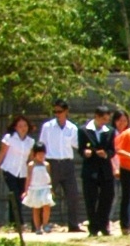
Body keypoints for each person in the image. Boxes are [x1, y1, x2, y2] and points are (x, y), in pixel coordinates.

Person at [38, 101, 83, 230]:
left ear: (66, 111)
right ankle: (40, 224)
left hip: (67, 164)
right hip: (52, 163)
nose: (57, 114)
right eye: (55, 112)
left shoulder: (72, 128)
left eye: (59, 111)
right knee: (46, 194)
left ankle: (73, 225)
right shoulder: (47, 127)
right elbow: (41, 145)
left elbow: (77, 145)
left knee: (72, 195)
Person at [78, 107, 116, 236]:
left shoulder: (110, 131)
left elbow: (112, 150)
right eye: (103, 119)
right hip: (90, 170)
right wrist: (85, 153)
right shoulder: (84, 130)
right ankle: (93, 228)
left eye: (107, 119)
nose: (105, 122)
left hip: (105, 169)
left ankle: (103, 225)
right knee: (91, 199)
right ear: (96, 116)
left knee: (107, 197)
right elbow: (81, 148)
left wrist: (106, 154)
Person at [0, 114, 35, 222]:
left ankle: (14, 221)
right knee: (15, 194)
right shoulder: (9, 138)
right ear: (15, 127)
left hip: (22, 172)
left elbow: (31, 159)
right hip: (9, 170)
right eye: (20, 126)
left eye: (25, 126)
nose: (23, 128)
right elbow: (2, 153)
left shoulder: (30, 141)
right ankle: (18, 222)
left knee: (20, 196)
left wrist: (33, 173)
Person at [23, 144, 54, 231]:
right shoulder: (31, 165)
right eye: (39, 154)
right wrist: (26, 190)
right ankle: (37, 227)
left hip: (45, 188)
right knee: (36, 209)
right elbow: (28, 178)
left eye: (43, 154)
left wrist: (51, 189)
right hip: (35, 188)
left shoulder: (47, 164)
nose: (41, 156)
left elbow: (48, 177)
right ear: (34, 154)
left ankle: (45, 224)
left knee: (47, 206)